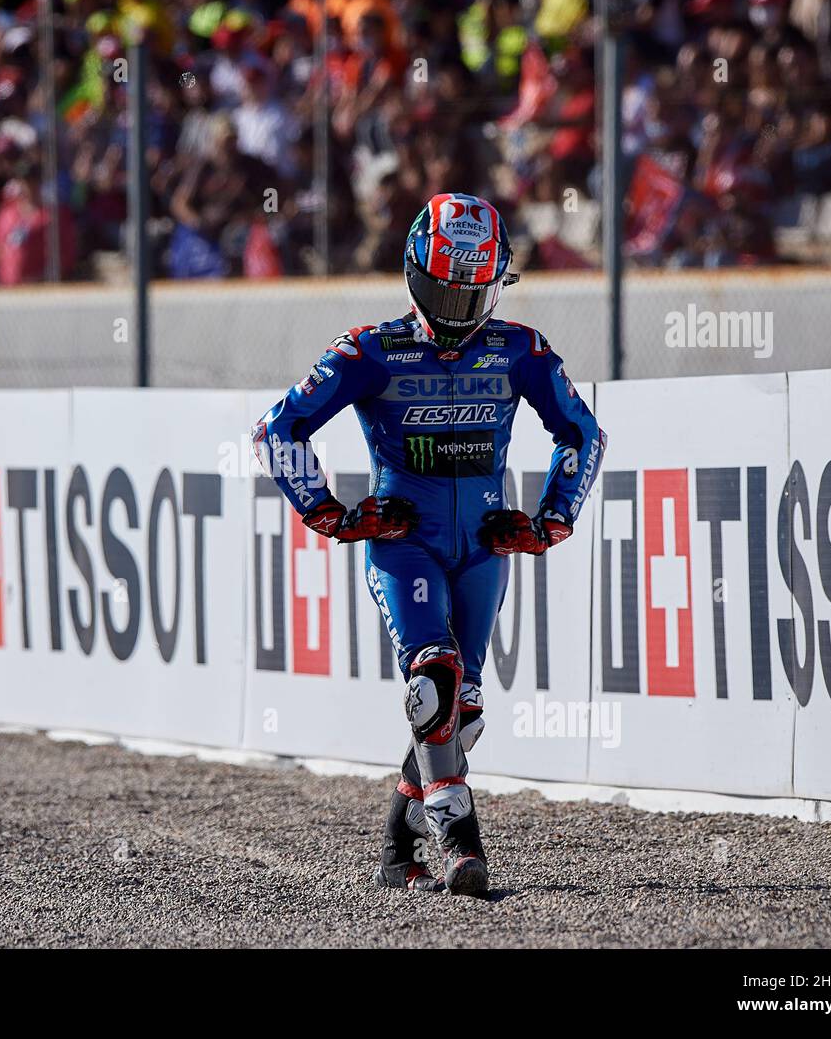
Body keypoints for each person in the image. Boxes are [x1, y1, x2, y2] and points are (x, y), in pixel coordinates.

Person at [252, 193, 605, 896]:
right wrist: (329, 513)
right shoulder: (368, 350)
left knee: (462, 711)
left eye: (470, 291)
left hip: (482, 546)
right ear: (414, 273)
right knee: (434, 678)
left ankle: (394, 847)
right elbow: (277, 429)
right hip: (404, 543)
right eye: (443, 287)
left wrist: (550, 520)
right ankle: (460, 840)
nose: (454, 306)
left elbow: (584, 434)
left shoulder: (520, 350)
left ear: (496, 283)